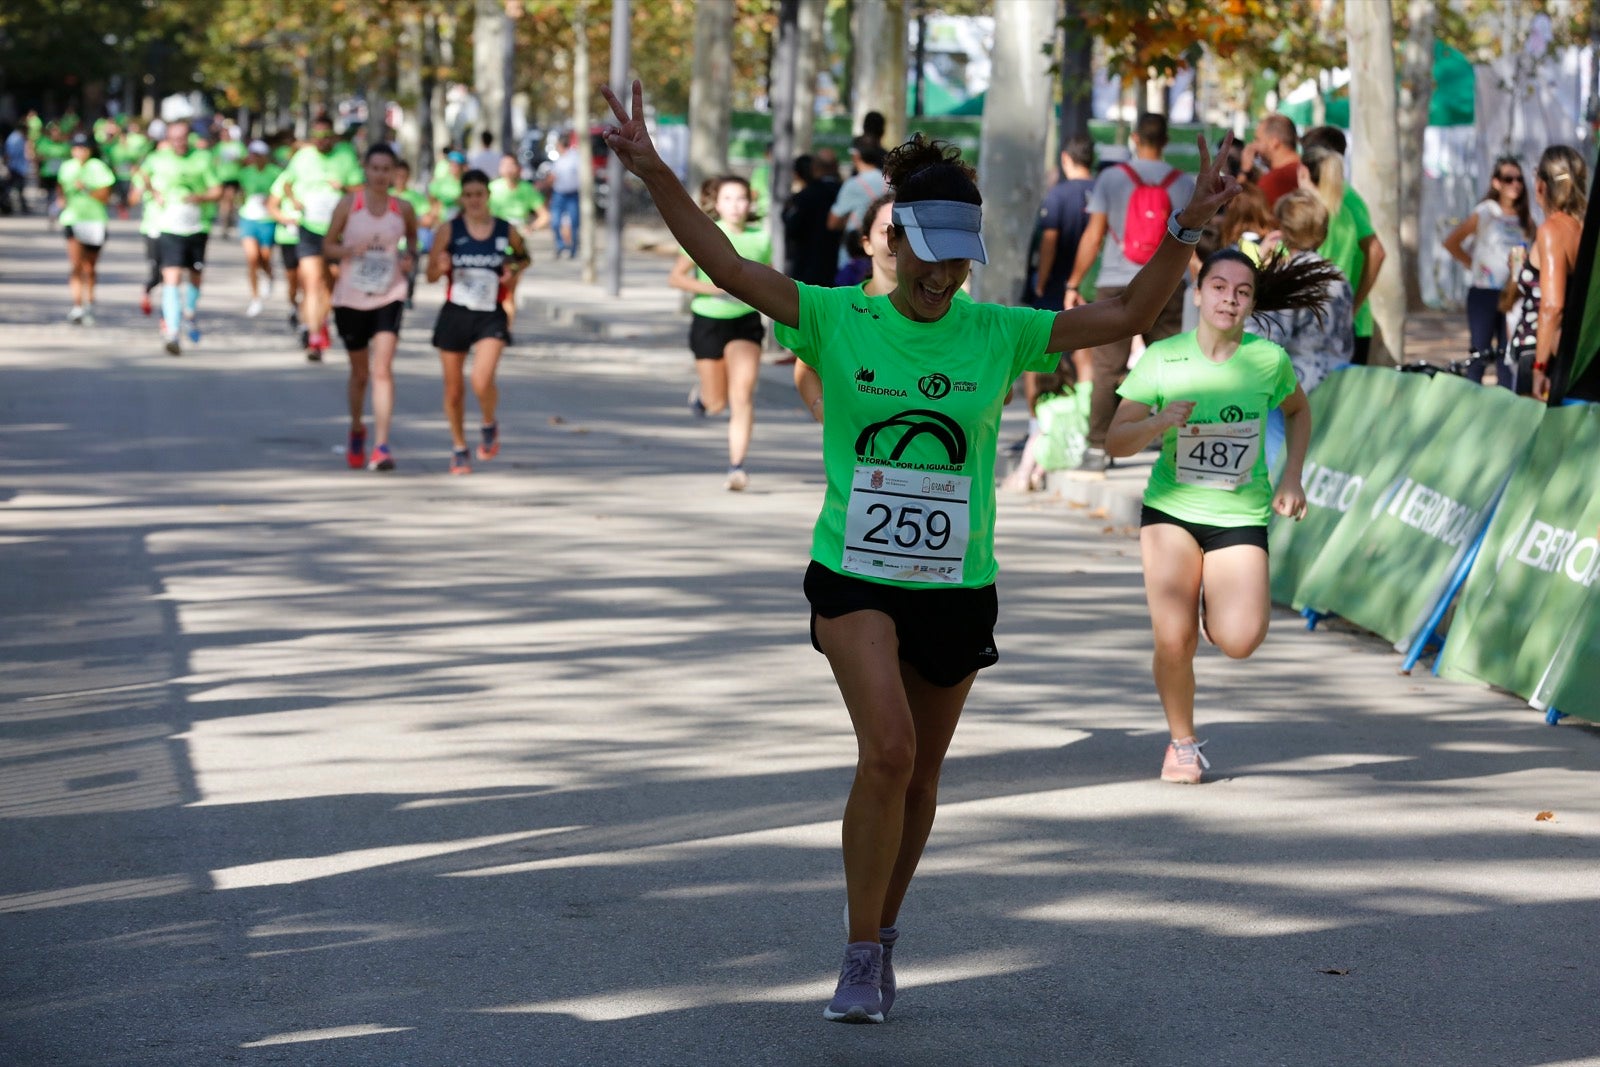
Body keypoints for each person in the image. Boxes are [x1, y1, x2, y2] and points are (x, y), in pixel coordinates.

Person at [600, 78, 1238, 1024]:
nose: (944, 279)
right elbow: (729, 268)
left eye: (959, 262)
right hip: (854, 576)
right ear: (891, 242)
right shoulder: (836, 316)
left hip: (957, 585)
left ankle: (884, 932)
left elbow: (1128, 311)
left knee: (925, 777)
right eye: (928, 258)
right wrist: (655, 173)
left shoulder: (999, 329)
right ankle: (858, 953)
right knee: (889, 750)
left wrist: (1187, 228)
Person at [1106, 249, 1337, 784]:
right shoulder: (1163, 358)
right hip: (1171, 512)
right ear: (1199, 292)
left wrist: (1292, 476)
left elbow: (1299, 411)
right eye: (1218, 287)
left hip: (1239, 513)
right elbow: (1116, 440)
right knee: (1173, 638)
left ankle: (1215, 603)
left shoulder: (1267, 360)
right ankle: (1181, 744)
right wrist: (1157, 422)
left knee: (1239, 638)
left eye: (1241, 292)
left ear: (1252, 303)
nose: (1228, 299)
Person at [1065, 112, 1197, 472]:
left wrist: (1074, 282)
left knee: (1107, 367)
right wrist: (1197, 279)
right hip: (1166, 284)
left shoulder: (1111, 178)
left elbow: (1093, 236)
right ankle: (1177, 445)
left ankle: (1096, 448)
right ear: (1166, 141)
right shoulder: (1183, 183)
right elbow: (1191, 242)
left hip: (1115, 283)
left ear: (1135, 138)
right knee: (1171, 363)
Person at [669, 173, 772, 490]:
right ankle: (702, 398)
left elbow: (770, 279)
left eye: (741, 198)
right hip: (709, 320)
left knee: (742, 394)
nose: (736, 206)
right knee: (717, 403)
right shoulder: (705, 235)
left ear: (750, 202)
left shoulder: (762, 238)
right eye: (728, 199)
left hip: (745, 321)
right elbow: (677, 278)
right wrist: (713, 290)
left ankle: (736, 467)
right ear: (715, 203)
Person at [426, 168, 528, 475]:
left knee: (481, 380)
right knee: (454, 390)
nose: (473, 200)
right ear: (461, 197)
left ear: (488, 196)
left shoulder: (504, 229)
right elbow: (429, 275)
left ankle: (488, 421)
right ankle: (459, 447)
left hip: (490, 314)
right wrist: (440, 266)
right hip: (455, 312)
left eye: (479, 195)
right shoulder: (449, 230)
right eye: (468, 195)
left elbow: (524, 257)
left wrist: (513, 269)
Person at [325, 143, 418, 472]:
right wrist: (350, 250)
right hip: (351, 297)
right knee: (361, 374)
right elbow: (327, 245)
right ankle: (356, 428)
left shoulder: (403, 208)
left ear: (395, 172)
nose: (380, 175)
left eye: (386, 169)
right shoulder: (350, 204)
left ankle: (381, 445)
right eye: (375, 168)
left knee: (383, 370)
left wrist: (408, 259)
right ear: (365, 169)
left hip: (389, 294)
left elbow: (412, 245)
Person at [275, 115, 363, 361]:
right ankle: (314, 339)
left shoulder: (346, 156)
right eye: (317, 137)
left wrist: (343, 188)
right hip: (309, 228)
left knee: (332, 285)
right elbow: (286, 184)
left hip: (338, 231)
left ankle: (320, 320)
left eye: (326, 137)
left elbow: (360, 188)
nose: (321, 141)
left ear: (333, 136)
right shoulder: (302, 157)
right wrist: (294, 201)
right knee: (312, 284)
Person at [1442, 156, 1534, 384]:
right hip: (1483, 293)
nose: (1515, 184)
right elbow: (1452, 242)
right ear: (1496, 183)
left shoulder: (1527, 220)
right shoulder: (1486, 211)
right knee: (1479, 354)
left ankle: (1504, 410)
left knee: (1507, 357)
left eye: (1519, 179)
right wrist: (1471, 263)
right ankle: (1471, 408)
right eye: (1508, 179)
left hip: (1513, 295)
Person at [1255, 190, 1354, 394]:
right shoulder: (1338, 276)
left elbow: (1268, 341)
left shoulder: (1287, 277)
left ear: (1283, 230)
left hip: (1299, 384)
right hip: (1339, 380)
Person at [1301, 127, 1385, 365]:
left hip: (1344, 325)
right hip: (1332, 322)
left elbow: (1377, 251)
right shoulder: (1328, 198)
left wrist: (1353, 308)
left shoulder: (1344, 196)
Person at [138, 118, 222, 356]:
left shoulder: (203, 158)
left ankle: (189, 313)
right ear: (167, 138)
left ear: (189, 137)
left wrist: (200, 198)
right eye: (173, 138)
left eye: (182, 138)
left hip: (197, 226)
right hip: (169, 226)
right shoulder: (157, 159)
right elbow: (142, 175)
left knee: (195, 275)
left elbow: (217, 190)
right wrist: (154, 193)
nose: (178, 142)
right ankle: (172, 332)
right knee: (171, 277)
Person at [1517, 145, 1588, 401]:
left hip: (1545, 353)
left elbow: (1552, 306)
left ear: (1542, 186)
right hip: (1578, 353)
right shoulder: (1585, 229)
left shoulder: (1552, 230)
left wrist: (1539, 368)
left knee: (1532, 438)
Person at [487, 152, 549, 338]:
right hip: (491, 247)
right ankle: (489, 328)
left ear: (518, 168)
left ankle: (506, 330)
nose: (506, 168)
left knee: (509, 291)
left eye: (510, 164)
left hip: (515, 249)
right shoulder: (492, 188)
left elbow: (544, 216)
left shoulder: (527, 190)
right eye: (503, 164)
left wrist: (531, 227)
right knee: (491, 290)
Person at [56, 133, 115, 325]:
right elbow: (61, 186)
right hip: (73, 219)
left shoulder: (98, 167)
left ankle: (89, 302)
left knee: (90, 267)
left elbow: (106, 196)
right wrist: (61, 199)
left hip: (95, 221)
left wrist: (86, 189)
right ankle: (77, 306)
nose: (79, 151)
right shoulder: (67, 167)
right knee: (75, 265)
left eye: (83, 147)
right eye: (76, 147)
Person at [783, 148, 843, 287]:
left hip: (808, 265)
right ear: (836, 167)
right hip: (838, 266)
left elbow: (792, 228)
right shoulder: (845, 192)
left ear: (814, 168)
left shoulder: (805, 196)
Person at [236, 140, 282, 318]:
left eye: (258, 155)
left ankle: (269, 276)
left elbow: (280, 194)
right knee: (252, 258)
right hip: (249, 218)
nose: (254, 158)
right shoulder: (245, 172)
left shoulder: (275, 173)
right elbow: (241, 192)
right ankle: (255, 298)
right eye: (252, 154)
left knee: (265, 257)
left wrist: (270, 200)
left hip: (268, 219)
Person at [827, 136, 888, 269]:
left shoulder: (854, 184)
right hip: (881, 252)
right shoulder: (890, 182)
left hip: (853, 256)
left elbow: (832, 222)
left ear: (856, 155)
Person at [390, 159, 433, 307]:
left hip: (411, 243)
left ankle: (407, 297)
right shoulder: (386, 196)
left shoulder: (416, 197)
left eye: (403, 175)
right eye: (397, 175)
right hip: (391, 244)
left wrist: (409, 221)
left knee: (411, 275)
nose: (400, 179)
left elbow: (428, 220)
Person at [1243, 113, 1300, 207]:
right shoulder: (1307, 171)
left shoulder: (1272, 181)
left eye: (1258, 140)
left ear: (1274, 142)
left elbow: (1239, 211)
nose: (1253, 146)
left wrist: (1244, 170)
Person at [547, 132, 582, 258]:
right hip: (559, 194)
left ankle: (573, 248)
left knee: (574, 222)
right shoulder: (558, 159)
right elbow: (553, 177)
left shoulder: (575, 157)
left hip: (572, 194)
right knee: (555, 222)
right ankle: (560, 245)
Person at [428, 149, 467, 223]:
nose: (454, 167)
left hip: (461, 219)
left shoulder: (466, 182)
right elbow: (432, 198)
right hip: (442, 220)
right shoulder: (441, 182)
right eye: (452, 165)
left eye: (457, 165)